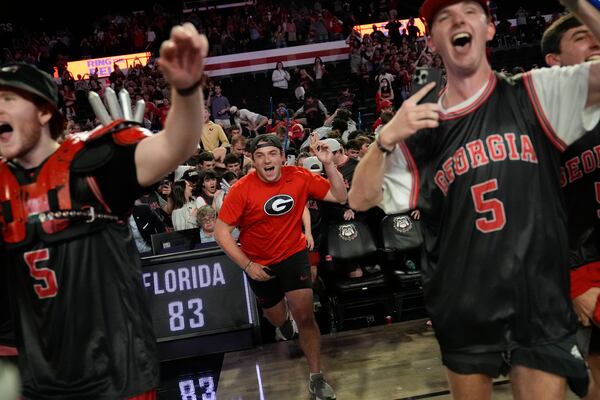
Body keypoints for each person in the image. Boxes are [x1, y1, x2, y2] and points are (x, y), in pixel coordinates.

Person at [348, 0, 600, 399]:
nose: (458, 20)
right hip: (463, 295)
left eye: (470, 11)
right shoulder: (421, 122)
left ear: (489, 29)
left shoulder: (536, 92)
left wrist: (579, 6)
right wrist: (384, 139)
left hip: (538, 292)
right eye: (444, 17)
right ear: (432, 41)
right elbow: (359, 200)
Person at [0, 22, 208, 399]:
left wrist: (187, 90)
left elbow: (175, 145)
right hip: (41, 381)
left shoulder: (93, 162)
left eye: (9, 98)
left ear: (46, 112)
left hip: (117, 374)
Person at [215, 133, 347, 400]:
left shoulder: (298, 175)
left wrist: (329, 164)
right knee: (277, 318)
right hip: (259, 262)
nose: (267, 160)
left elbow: (339, 195)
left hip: (293, 254)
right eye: (260, 156)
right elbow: (220, 232)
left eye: (272, 154)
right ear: (252, 161)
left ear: (282, 157)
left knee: (306, 317)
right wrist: (247, 264)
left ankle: (316, 377)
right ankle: (284, 324)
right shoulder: (242, 189)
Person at [542, 12, 600, 399]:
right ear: (554, 61)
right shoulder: (545, 121)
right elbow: (537, 212)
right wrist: (572, 278)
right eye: (582, 37)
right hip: (583, 265)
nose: (595, 42)